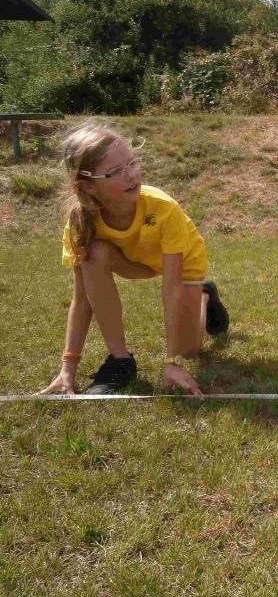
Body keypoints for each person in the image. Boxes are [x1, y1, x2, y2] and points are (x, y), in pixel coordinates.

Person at [38, 121, 229, 395]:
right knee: (94, 254)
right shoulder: (80, 223)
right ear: (87, 186)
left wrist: (172, 361)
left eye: (132, 163)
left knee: (189, 350)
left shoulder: (164, 209)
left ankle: (204, 296)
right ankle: (120, 360)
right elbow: (82, 299)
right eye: (116, 171)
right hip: (133, 261)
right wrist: (68, 367)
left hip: (183, 263)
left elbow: (171, 289)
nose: (132, 176)